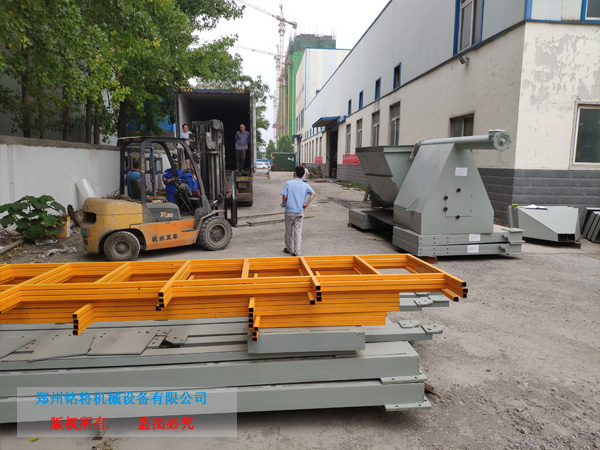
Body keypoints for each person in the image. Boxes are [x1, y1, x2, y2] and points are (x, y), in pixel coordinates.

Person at [280, 166, 316, 257]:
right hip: (299, 211)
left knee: (288, 230)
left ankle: (289, 248)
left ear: (295, 173)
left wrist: (284, 203)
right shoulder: (305, 185)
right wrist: (306, 204)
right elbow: (313, 193)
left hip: (289, 211)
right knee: (298, 232)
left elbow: (284, 196)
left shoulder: (288, 183)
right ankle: (297, 251)